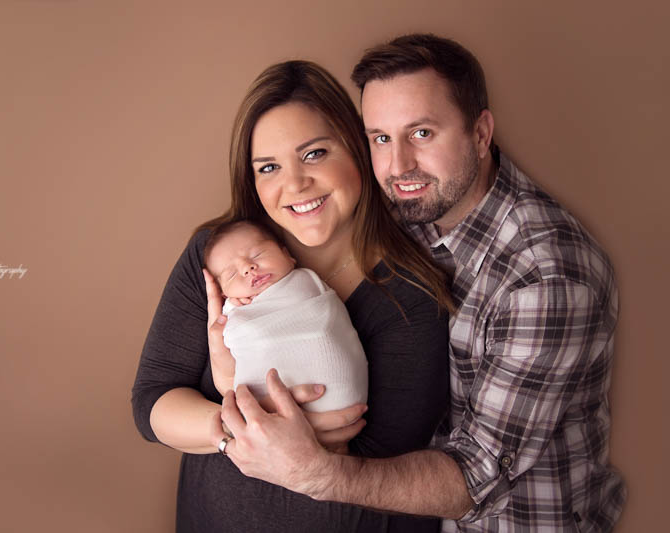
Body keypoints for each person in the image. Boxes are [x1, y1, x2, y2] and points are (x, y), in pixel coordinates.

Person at [218, 34, 626, 532]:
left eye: (422, 133)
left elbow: (476, 477)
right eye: (380, 138)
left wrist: (314, 471)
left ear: (481, 133)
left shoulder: (547, 277)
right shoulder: (406, 208)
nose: (399, 166)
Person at [132, 60, 453, 532]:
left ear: (357, 148)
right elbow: (152, 403)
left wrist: (271, 428)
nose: (295, 184)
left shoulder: (411, 294)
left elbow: (377, 459)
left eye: (315, 153)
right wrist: (239, 429)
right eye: (269, 167)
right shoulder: (219, 257)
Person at [204, 220, 368, 413]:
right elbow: (229, 365)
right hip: (267, 411)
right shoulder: (232, 315)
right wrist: (229, 310)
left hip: (341, 397)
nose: (247, 268)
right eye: (232, 274)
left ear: (287, 255)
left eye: (257, 254)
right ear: (225, 294)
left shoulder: (306, 280)